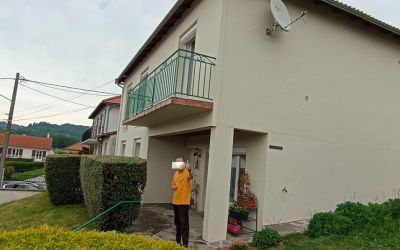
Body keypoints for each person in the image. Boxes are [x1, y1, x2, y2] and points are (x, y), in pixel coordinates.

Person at [171, 157, 193, 248]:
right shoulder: (175, 173)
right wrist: (173, 187)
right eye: (176, 163)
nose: (178, 165)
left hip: (183, 203)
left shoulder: (186, 171)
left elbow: (191, 176)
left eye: (180, 163)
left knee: (184, 224)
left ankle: (185, 244)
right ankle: (177, 242)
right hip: (175, 202)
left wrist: (189, 168)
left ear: (183, 164)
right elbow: (173, 184)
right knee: (177, 223)